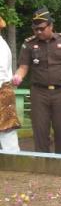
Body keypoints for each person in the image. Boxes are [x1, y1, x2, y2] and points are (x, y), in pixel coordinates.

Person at [12, 7, 61, 154]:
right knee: (40, 130)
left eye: (41, 28)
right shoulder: (29, 44)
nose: (38, 32)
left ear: (51, 25)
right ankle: (42, 161)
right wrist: (18, 77)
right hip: (39, 93)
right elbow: (23, 66)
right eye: (35, 29)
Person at [0, 15, 20, 152]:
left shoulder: (1, 46)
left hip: (1, 91)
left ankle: (14, 160)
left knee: (6, 132)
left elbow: (0, 72)